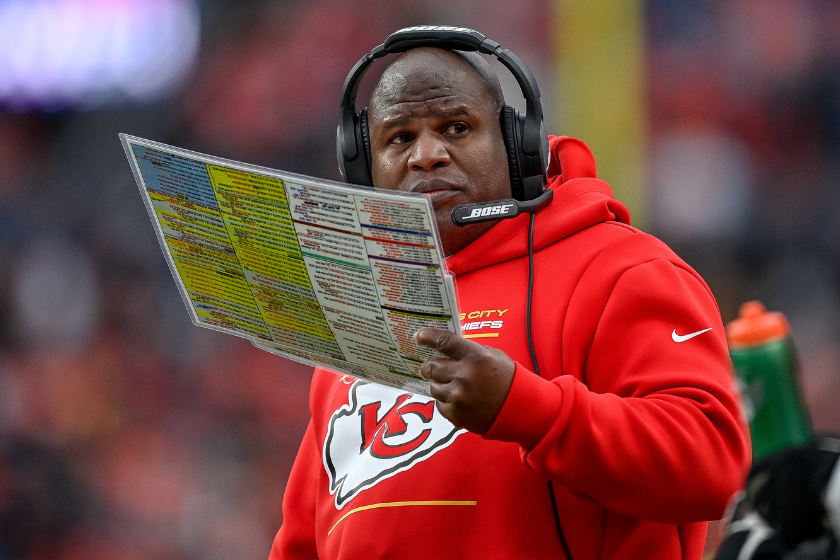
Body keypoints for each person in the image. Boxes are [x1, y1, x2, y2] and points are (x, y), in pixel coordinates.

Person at [270, 28, 750, 560]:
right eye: (399, 137)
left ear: (516, 144)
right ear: (364, 168)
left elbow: (714, 463)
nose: (427, 155)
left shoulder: (624, 269)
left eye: (455, 127)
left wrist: (527, 409)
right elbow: (302, 542)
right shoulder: (361, 307)